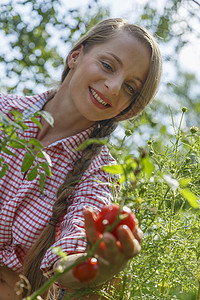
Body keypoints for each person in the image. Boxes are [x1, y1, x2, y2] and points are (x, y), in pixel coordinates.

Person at [0, 17, 162, 299]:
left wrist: (95, 266)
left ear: (128, 108)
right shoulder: (5, 113)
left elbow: (74, 248)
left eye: (129, 88)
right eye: (108, 65)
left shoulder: (100, 173)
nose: (113, 86)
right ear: (75, 55)